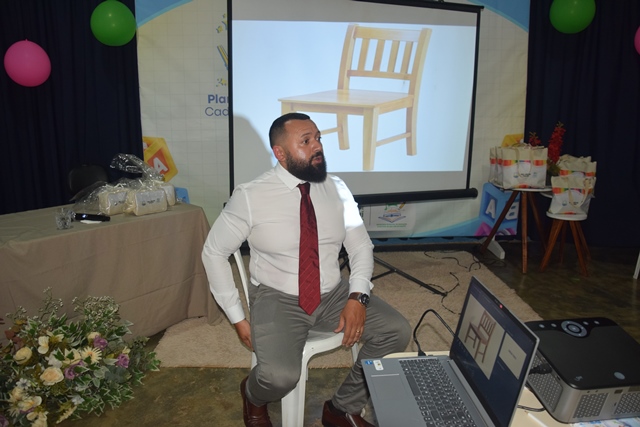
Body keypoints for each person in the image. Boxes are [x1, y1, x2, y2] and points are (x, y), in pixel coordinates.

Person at [202, 112, 411, 427]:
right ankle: (253, 394)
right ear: (280, 153)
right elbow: (214, 252)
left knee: (396, 331)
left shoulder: (337, 188)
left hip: (333, 292)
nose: (318, 147)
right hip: (277, 296)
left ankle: (341, 408)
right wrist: (237, 317)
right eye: (306, 141)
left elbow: (360, 247)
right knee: (279, 377)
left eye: (318, 138)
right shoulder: (251, 196)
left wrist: (358, 297)